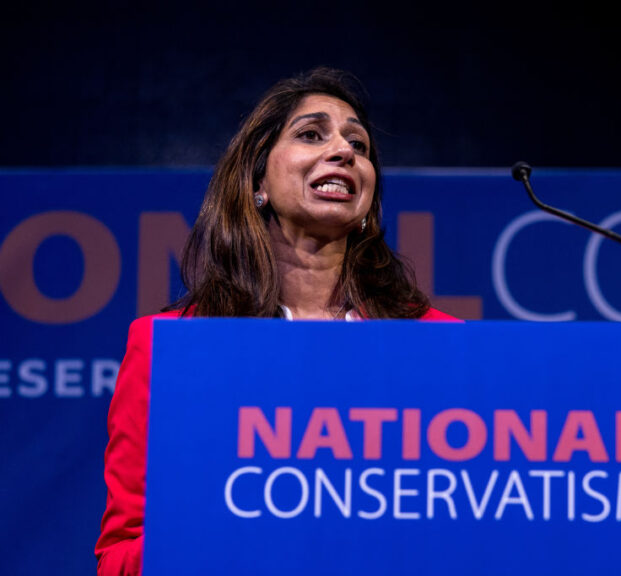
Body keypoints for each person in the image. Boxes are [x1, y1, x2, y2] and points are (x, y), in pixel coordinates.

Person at [95, 67, 458, 576]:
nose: (344, 151)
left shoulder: (443, 345)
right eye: (312, 134)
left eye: (359, 143)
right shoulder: (172, 349)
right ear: (258, 179)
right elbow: (120, 557)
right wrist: (220, 526)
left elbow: (467, 523)